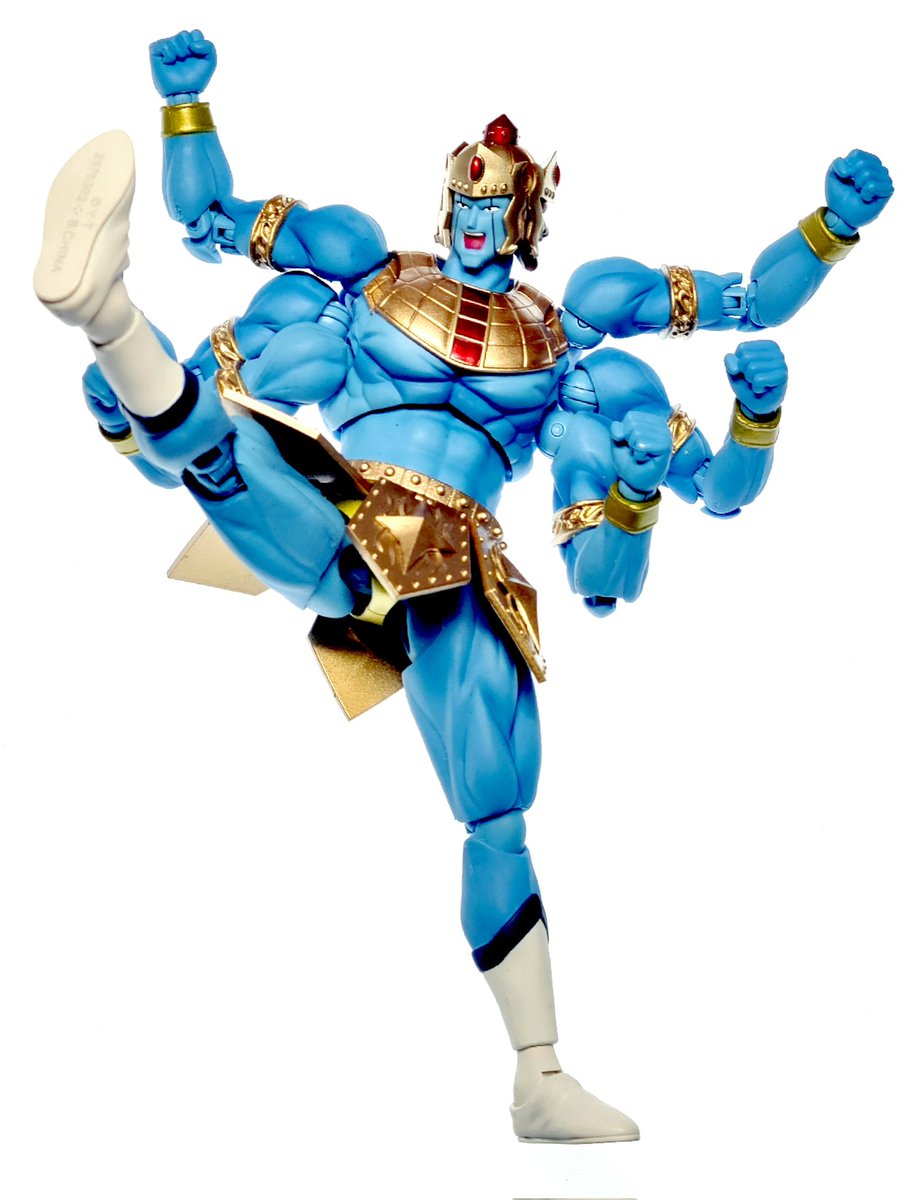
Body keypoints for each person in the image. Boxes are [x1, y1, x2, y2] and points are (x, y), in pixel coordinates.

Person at [33, 30, 892, 1141]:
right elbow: (211, 219)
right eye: (465, 195)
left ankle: (538, 1076)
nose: (477, 212)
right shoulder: (361, 278)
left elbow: (721, 457)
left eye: (497, 199)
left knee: (498, 808)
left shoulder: (575, 351)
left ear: (527, 214)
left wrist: (806, 289)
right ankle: (108, 318)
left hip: (466, 561)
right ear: (447, 202)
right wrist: (185, 104)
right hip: (355, 503)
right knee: (228, 456)